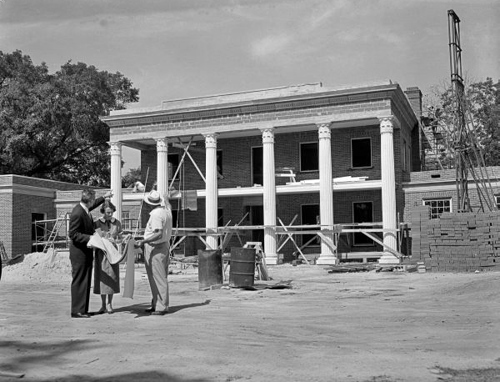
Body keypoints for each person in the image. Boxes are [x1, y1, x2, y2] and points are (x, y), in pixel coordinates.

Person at [69, 188, 113, 318]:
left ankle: (83, 309)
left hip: (85, 251)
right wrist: (90, 238)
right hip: (79, 253)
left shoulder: (84, 208)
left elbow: (93, 205)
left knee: (86, 280)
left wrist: (104, 197)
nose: (94, 202)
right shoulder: (78, 213)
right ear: (89, 200)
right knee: (80, 280)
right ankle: (77, 310)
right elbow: (73, 234)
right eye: (93, 199)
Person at [135, 190, 172, 316]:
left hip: (156, 248)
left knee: (158, 278)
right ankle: (156, 303)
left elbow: (158, 233)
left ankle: (161, 306)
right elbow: (168, 204)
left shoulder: (156, 215)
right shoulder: (166, 211)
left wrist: (143, 241)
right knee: (158, 277)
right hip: (164, 246)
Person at [93, 200, 122, 314]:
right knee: (102, 278)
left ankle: (110, 304)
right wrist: (104, 239)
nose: (110, 215)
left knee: (112, 277)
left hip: (113, 254)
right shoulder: (97, 223)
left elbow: (120, 238)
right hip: (101, 253)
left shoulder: (117, 223)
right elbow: (97, 237)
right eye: (108, 212)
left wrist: (116, 240)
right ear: (103, 212)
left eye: (111, 212)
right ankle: (103, 304)